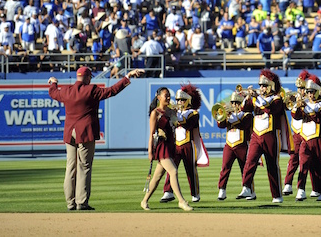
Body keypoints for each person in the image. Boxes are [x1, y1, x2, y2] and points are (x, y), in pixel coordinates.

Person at [47, 66, 145, 211]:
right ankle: (82, 202)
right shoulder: (91, 89)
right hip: (85, 132)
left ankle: (70, 203)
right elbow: (112, 91)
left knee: (70, 167)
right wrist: (127, 77)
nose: (91, 78)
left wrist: (53, 83)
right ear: (87, 77)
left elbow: (54, 93)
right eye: (90, 76)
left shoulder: (66, 90)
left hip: (70, 133)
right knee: (84, 167)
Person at [237, 69, 292, 203]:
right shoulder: (258, 99)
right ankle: (246, 187)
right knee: (250, 161)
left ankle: (277, 195)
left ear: (271, 86)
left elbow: (269, 108)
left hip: (271, 135)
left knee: (272, 165)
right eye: (260, 85)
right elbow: (245, 108)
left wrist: (256, 97)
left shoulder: (277, 99)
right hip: (256, 134)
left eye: (264, 86)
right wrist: (247, 97)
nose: (261, 88)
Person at [140, 87, 192, 211]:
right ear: (159, 97)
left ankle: (144, 201)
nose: (168, 98)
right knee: (173, 171)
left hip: (170, 144)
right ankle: (181, 201)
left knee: (157, 177)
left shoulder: (171, 111)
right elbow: (152, 133)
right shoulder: (155, 113)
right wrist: (150, 151)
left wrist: (176, 114)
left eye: (169, 95)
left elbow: (176, 125)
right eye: (165, 95)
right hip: (162, 146)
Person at [160, 84, 209, 203]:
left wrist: (174, 114)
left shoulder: (193, 113)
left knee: (191, 170)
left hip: (188, 144)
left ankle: (195, 193)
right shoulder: (175, 112)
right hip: (175, 144)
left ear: (188, 101)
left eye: (182, 100)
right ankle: (168, 191)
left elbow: (187, 124)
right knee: (171, 168)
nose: (179, 102)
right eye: (177, 100)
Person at [291, 74, 321, 201]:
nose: (309, 94)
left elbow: (319, 118)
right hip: (305, 139)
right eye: (308, 92)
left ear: (318, 92)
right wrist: (298, 106)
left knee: (319, 167)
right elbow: (296, 116)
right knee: (303, 165)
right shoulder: (305, 104)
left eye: (312, 92)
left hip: (318, 140)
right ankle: (301, 190)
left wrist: (306, 108)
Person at [215, 88, 253, 201]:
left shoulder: (246, 114)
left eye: (237, 102)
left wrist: (232, 116)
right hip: (229, 145)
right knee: (225, 168)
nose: (234, 105)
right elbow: (220, 125)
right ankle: (222, 190)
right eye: (232, 102)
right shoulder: (228, 114)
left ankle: (250, 190)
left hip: (242, 144)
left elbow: (244, 125)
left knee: (245, 169)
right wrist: (223, 116)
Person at [283, 70, 310, 196]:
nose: (301, 91)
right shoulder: (295, 98)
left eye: (303, 88)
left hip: (307, 134)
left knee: (304, 162)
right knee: (293, 159)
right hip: (296, 133)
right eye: (299, 88)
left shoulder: (311, 100)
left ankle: (302, 188)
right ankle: (288, 184)